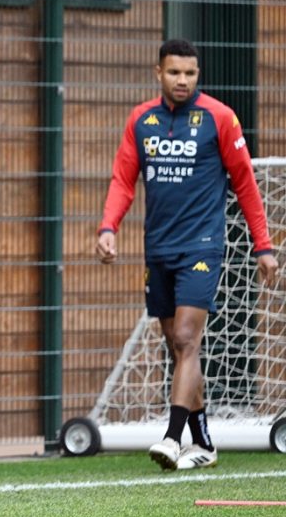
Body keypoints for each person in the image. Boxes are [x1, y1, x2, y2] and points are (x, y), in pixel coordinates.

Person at [96, 38, 278, 472]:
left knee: (185, 339)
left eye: (190, 73)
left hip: (202, 246)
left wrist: (263, 246)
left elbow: (246, 184)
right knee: (178, 349)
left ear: (198, 75)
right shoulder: (141, 120)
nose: (182, 80)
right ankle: (204, 442)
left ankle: (172, 436)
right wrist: (108, 227)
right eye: (174, 72)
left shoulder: (220, 117)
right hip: (158, 249)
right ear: (158, 72)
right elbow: (123, 179)